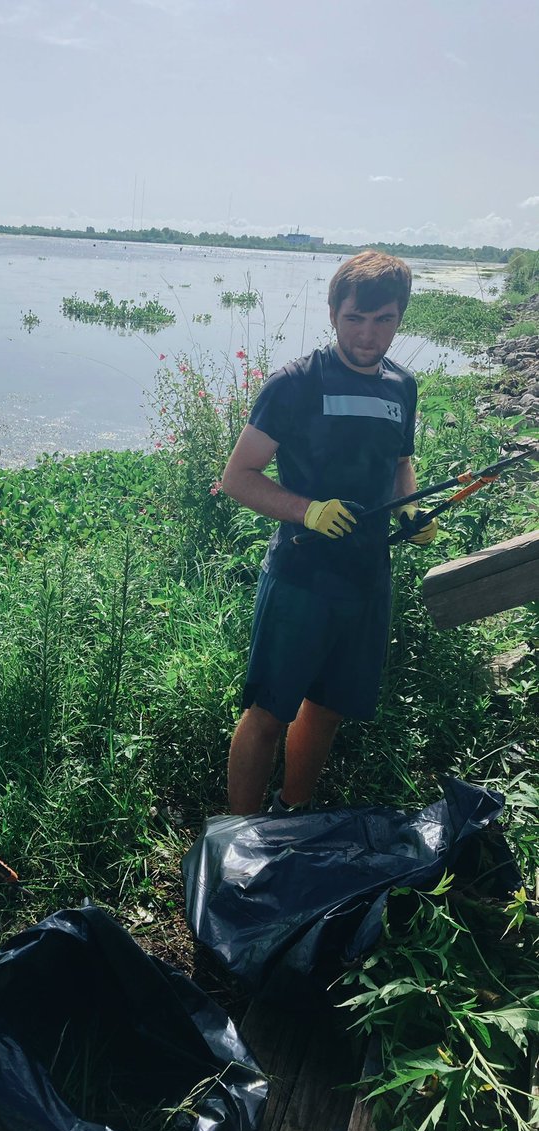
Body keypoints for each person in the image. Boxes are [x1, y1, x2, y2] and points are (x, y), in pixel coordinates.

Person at [222, 251, 437, 816]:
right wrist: (307, 510)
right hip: (301, 576)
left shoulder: (402, 387)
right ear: (333, 314)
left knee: (328, 709)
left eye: (384, 319)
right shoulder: (295, 382)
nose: (369, 334)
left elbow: (398, 465)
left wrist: (406, 513)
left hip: (366, 578)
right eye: (355, 319)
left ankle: (293, 814)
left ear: (400, 317)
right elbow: (238, 477)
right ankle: (239, 836)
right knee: (269, 712)